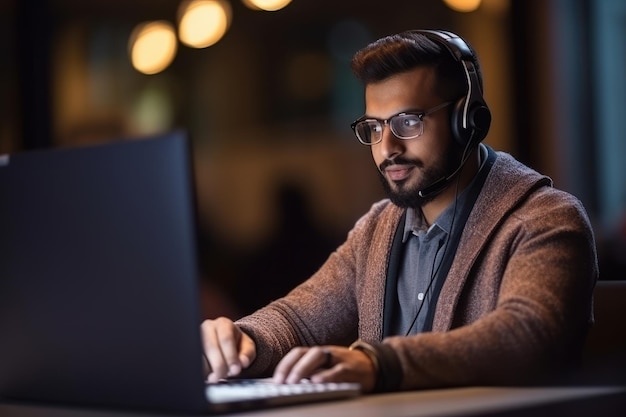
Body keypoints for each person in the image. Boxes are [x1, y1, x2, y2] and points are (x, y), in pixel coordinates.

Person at [200, 29, 598, 393]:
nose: (387, 148)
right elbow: (300, 318)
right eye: (374, 127)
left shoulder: (546, 220)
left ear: (467, 121)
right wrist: (243, 341)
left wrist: (379, 363)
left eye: (408, 121)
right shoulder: (377, 229)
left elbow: (524, 336)